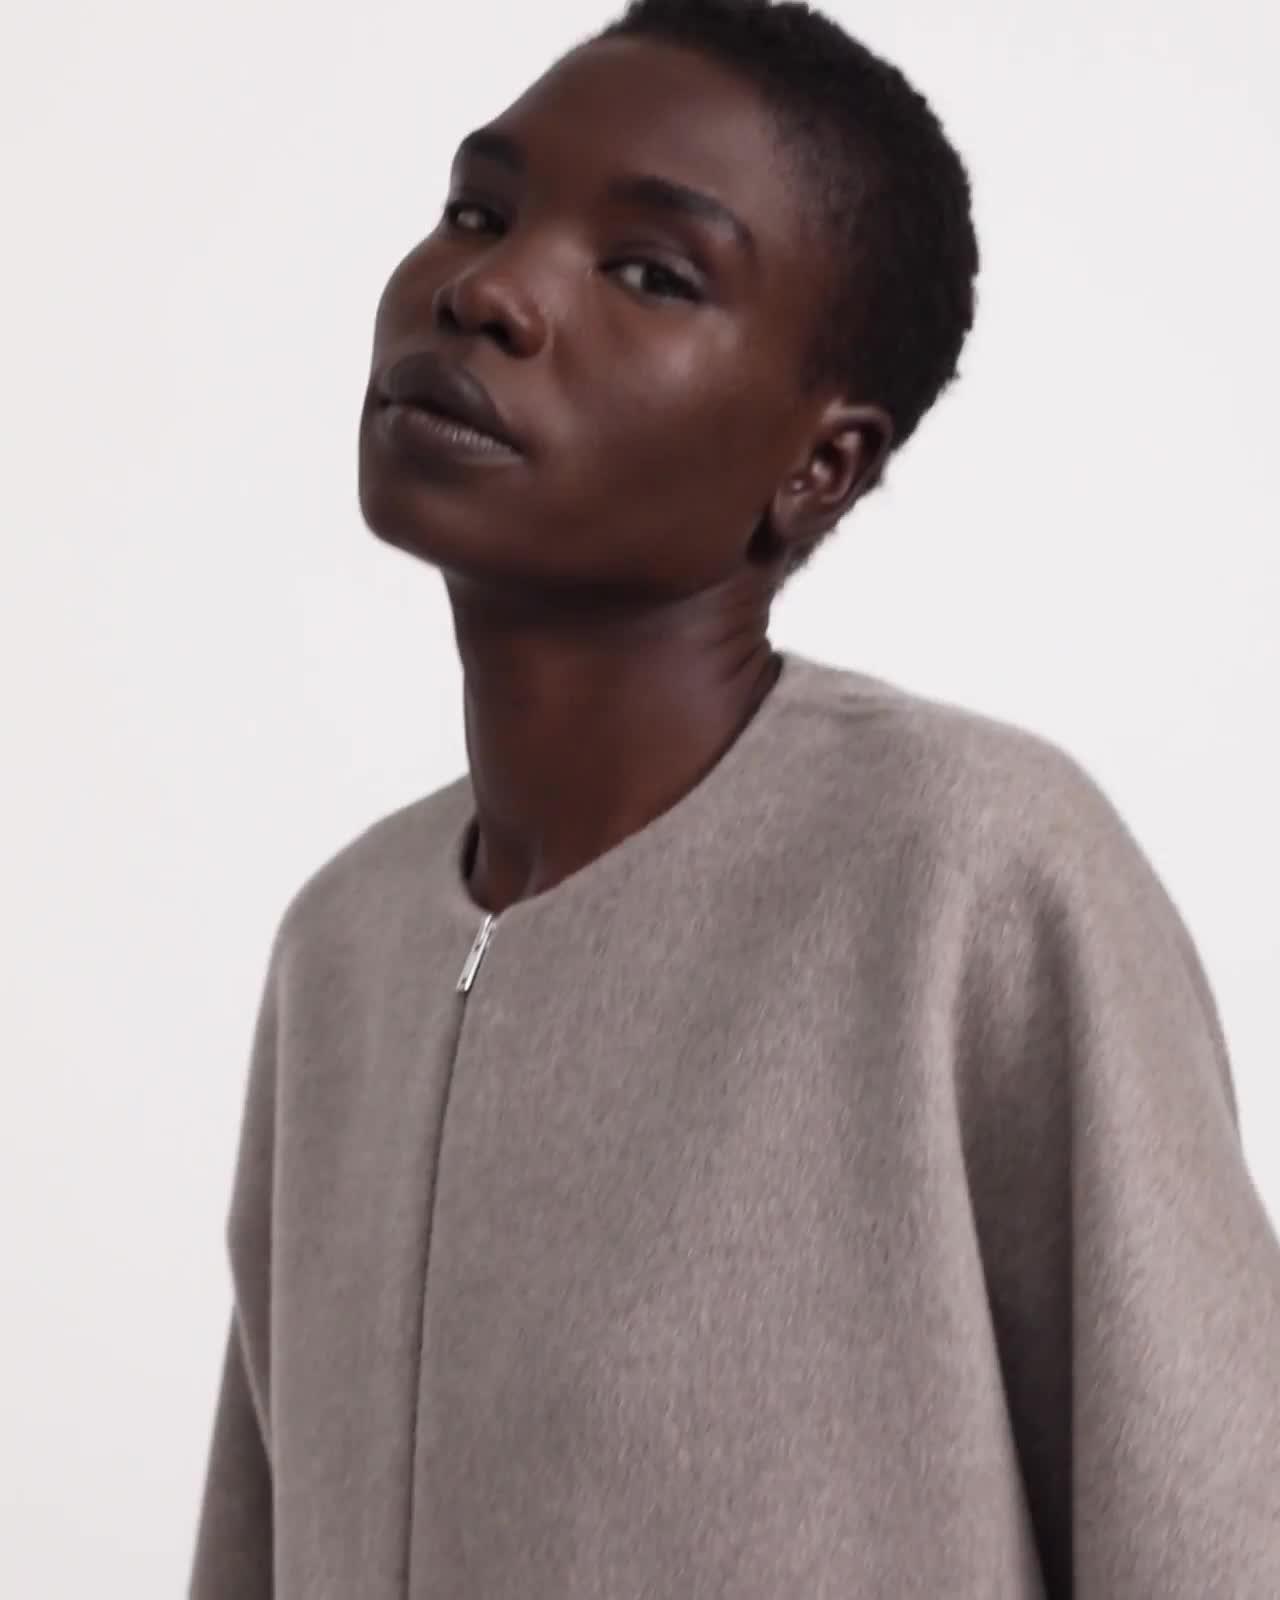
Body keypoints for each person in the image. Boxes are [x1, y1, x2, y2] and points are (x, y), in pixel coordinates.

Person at [188, 2, 1280, 1595]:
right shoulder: (341, 952)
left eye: (651, 274)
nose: (487, 290)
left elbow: (1218, 1539)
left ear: (819, 465)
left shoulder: (972, 876)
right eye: (478, 211)